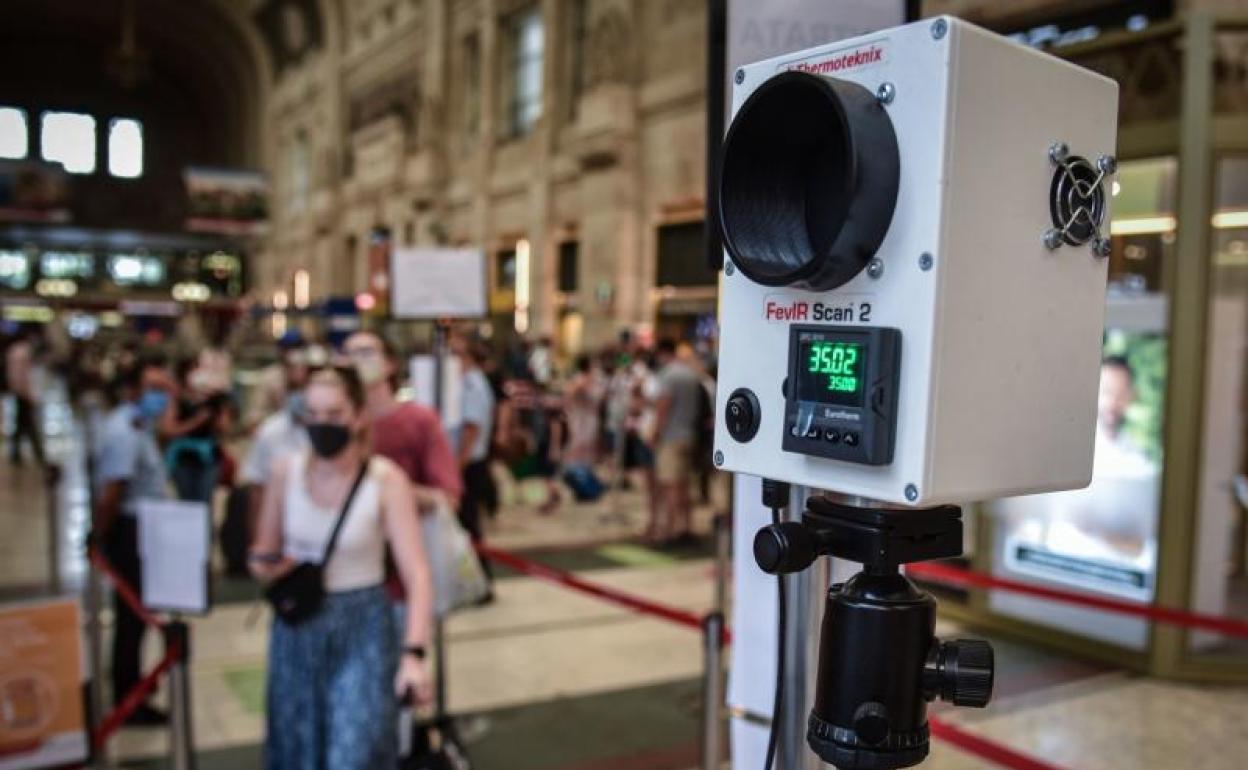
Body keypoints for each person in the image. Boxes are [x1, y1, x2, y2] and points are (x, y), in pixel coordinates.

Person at [249, 367, 434, 770]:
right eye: (313, 414)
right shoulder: (285, 472)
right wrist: (271, 568)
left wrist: (414, 653)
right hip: (298, 629)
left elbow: (417, 574)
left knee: (354, 751)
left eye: (334, 414)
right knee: (298, 749)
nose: (322, 424)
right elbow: (262, 551)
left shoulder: (386, 481)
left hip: (364, 625)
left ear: (358, 416)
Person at [90, 364, 171, 725]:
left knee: (137, 616)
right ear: (133, 389)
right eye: (153, 387)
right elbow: (112, 492)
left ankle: (132, 682)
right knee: (131, 617)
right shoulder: (124, 430)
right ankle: (128, 698)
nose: (161, 395)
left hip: (142, 527)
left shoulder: (139, 424)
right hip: (129, 531)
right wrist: (98, 536)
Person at [341, 332, 462, 512]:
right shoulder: (335, 421)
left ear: (389, 363)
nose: (356, 360)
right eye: (348, 354)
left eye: (366, 352)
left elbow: (448, 497)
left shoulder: (420, 419)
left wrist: (386, 489)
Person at [650, 339, 705, 544]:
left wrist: (656, 433)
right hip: (690, 435)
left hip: (671, 437)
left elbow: (664, 406)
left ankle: (672, 530)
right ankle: (687, 526)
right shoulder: (691, 374)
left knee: (671, 485)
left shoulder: (668, 375)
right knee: (685, 485)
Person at [452, 338, 497, 584]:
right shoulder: (461, 382)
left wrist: (456, 468)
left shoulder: (473, 384)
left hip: (469, 464)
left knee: (469, 524)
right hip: (466, 462)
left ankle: (482, 580)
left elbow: (471, 429)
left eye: (456, 353)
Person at [160, 358, 229, 505]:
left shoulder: (214, 400)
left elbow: (224, 428)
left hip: (208, 460)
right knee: (187, 503)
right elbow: (168, 430)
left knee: (205, 503)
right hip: (183, 460)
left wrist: (219, 406)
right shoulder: (177, 400)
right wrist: (195, 422)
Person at [247, 330, 309, 430]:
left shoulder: (313, 374)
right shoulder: (269, 377)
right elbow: (254, 418)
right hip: (277, 431)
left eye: (298, 348)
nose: (294, 353)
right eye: (289, 349)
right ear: (281, 352)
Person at [6, 329, 46, 467]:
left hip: (19, 392)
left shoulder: (15, 350)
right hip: (23, 393)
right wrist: (28, 394)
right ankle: (38, 453)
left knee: (22, 424)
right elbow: (22, 375)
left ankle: (18, 454)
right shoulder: (23, 352)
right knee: (28, 424)